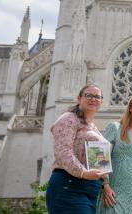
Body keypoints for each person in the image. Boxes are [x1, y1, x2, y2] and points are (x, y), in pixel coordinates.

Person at [46, 84, 109, 213]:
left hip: (91, 189)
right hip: (69, 185)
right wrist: (84, 173)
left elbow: (99, 163)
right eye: (88, 95)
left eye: (97, 96)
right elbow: (63, 152)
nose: (93, 99)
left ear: (101, 101)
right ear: (79, 98)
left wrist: (105, 183)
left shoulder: (93, 127)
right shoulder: (69, 118)